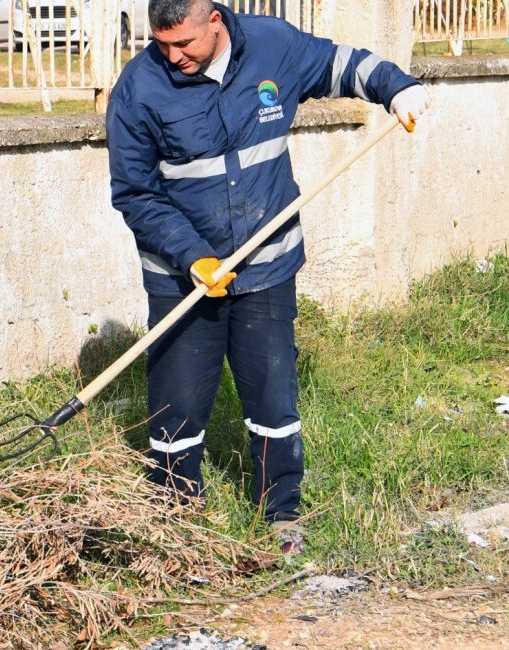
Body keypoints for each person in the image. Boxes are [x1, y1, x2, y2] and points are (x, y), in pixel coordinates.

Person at [105, 0, 430, 555]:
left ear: (214, 21)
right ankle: (174, 518)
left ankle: (280, 515)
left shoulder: (273, 44)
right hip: (184, 277)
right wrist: (192, 257)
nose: (172, 56)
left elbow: (342, 63)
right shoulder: (138, 89)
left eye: (182, 43)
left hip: (267, 263)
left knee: (273, 396)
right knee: (175, 405)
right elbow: (135, 193)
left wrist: (396, 88)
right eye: (162, 45)